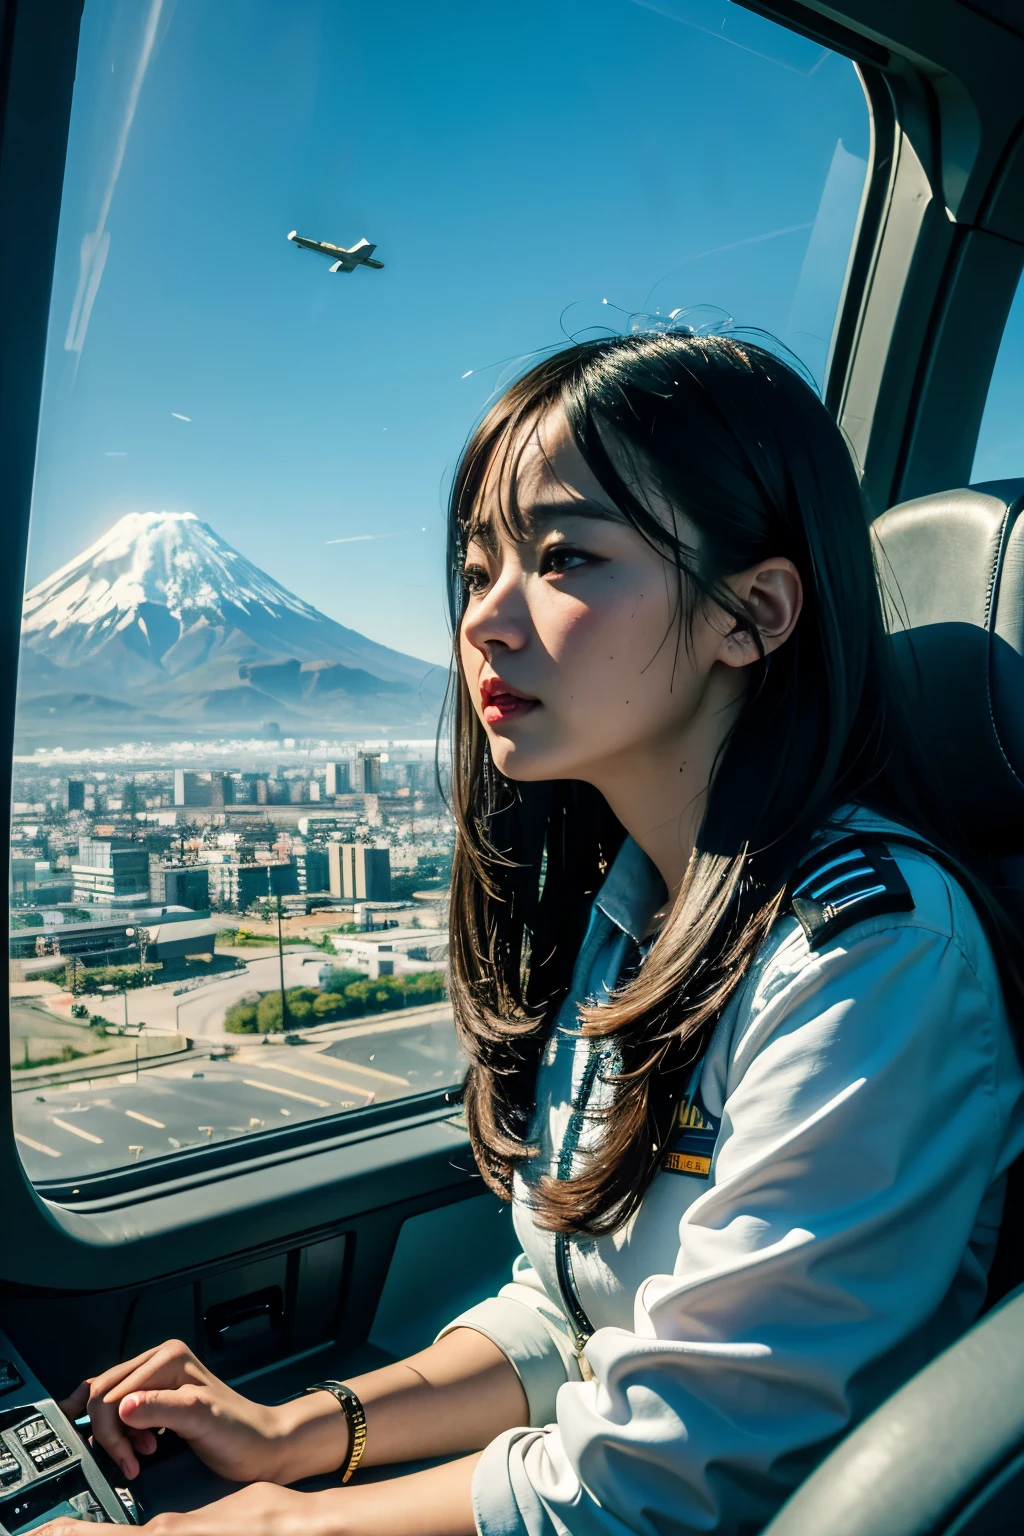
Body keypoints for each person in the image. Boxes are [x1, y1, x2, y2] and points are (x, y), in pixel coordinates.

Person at [43, 333, 1024, 1536]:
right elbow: (572, 1318)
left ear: (751, 615)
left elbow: (671, 1473)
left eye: (564, 559)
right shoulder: (637, 918)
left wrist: (264, 1524)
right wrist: (297, 1431)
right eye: (475, 570)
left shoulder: (870, 962)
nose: (484, 624)